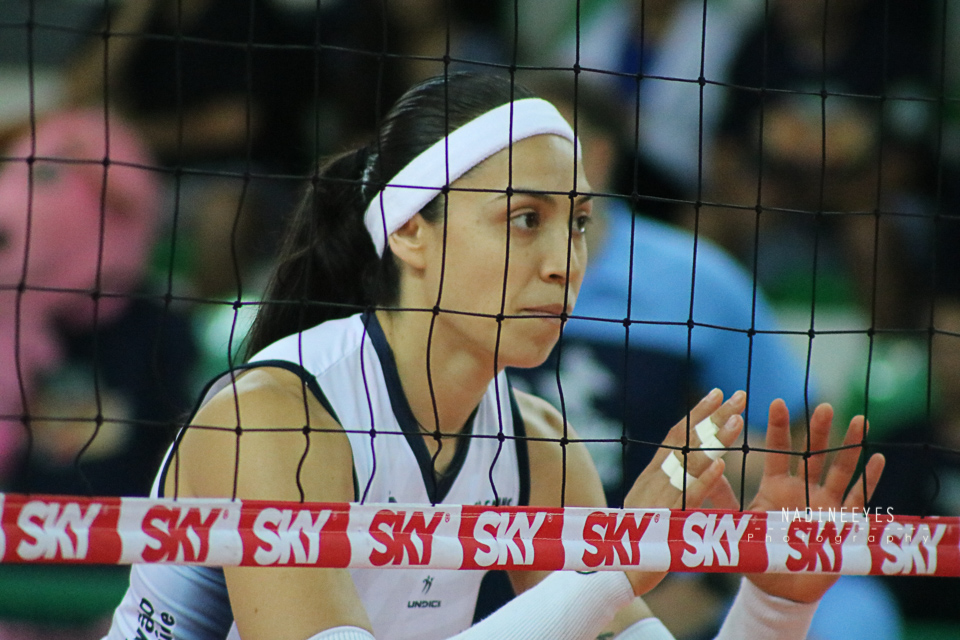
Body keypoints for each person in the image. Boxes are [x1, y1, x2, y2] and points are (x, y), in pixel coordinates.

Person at [101, 72, 884, 640]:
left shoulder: (539, 444)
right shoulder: (270, 416)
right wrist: (614, 568)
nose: (563, 261)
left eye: (577, 223)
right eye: (524, 219)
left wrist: (776, 606)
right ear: (410, 230)